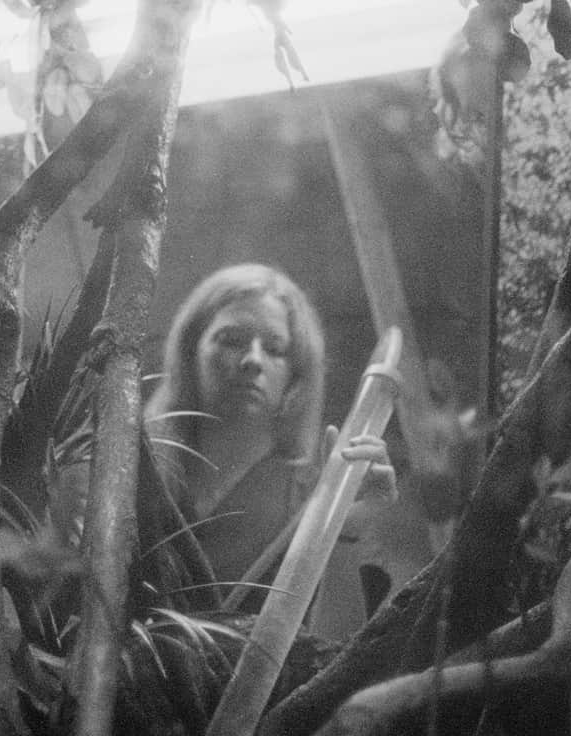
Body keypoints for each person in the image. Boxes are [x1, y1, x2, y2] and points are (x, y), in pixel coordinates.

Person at [143, 263, 396, 616]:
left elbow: (338, 649)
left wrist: (348, 528)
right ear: (190, 351)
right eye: (231, 340)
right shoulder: (135, 471)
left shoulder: (317, 493)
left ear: (296, 375)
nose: (253, 361)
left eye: (275, 349)